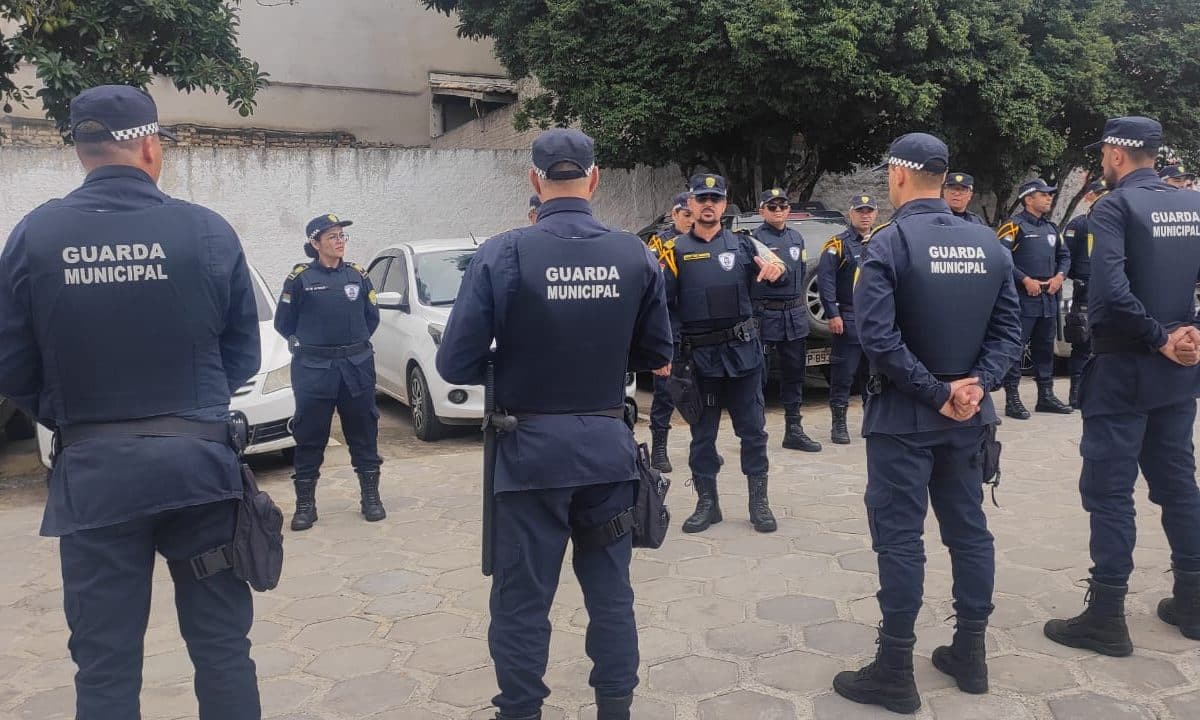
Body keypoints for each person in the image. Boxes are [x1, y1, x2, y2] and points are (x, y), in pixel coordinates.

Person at [0, 85, 262, 718]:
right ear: (149, 145)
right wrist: (193, 412)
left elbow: (12, 364)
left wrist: (75, 419)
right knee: (223, 650)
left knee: (105, 668)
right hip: (199, 476)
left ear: (80, 149)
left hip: (96, 484)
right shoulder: (205, 230)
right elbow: (242, 354)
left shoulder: (35, 236)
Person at [435, 128, 673, 720]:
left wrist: (514, 360)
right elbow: (655, 353)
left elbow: (455, 363)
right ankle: (615, 708)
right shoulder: (635, 253)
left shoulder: (502, 252)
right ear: (595, 178)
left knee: (522, 602)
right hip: (606, 453)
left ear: (534, 181)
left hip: (529, 456)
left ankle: (520, 710)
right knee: (611, 594)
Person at [831, 132, 1021, 714]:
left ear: (897, 174)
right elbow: (1009, 333)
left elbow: (877, 337)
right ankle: (970, 654)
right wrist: (976, 385)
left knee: (899, 540)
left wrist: (936, 393)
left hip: (904, 418)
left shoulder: (889, 244)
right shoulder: (989, 243)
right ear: (942, 177)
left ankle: (894, 670)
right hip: (969, 417)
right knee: (969, 532)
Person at [1044, 117, 1200, 656]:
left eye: (1103, 155)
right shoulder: (1192, 204)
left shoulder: (1112, 208)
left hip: (1125, 370)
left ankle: (1106, 617)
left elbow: (1110, 292)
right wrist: (1188, 333)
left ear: (1115, 154)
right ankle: (1193, 603)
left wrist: (1159, 338)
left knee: (1109, 492)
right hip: (1178, 372)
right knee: (1178, 484)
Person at [659, 174, 789, 534]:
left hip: (743, 357)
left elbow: (780, 273)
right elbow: (662, 306)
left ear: (724, 203)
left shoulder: (745, 245)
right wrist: (666, 353)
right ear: (690, 203)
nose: (708, 204)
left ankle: (759, 502)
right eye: (701, 198)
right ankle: (707, 503)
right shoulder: (673, 251)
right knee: (703, 437)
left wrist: (777, 271)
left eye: (714, 199)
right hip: (700, 362)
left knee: (753, 432)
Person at [274, 214, 386, 531]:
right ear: (315, 243)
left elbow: (371, 318)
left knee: (364, 432)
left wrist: (351, 347)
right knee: (310, 436)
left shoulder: (357, 276)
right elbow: (284, 323)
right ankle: (305, 506)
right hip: (314, 370)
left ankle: (370, 497)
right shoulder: (300, 279)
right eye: (332, 236)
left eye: (341, 236)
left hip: (356, 367)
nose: (339, 241)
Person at [752, 188, 822, 452]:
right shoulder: (754, 240)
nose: (778, 211)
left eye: (783, 206)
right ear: (762, 211)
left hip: (793, 314)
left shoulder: (796, 237)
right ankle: (755, 434)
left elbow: (800, 271)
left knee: (794, 373)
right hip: (765, 314)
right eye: (772, 207)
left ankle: (794, 429)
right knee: (758, 375)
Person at [996, 178, 1073, 418]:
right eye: (1044, 194)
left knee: (1044, 348)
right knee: (1015, 349)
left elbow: (1065, 256)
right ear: (1028, 199)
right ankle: (1012, 399)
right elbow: (1001, 258)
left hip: (1047, 298)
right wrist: (1025, 280)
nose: (1049, 198)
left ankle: (1046, 397)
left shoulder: (1052, 228)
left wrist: (1060, 277)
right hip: (1021, 299)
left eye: (1050, 194)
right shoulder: (1012, 226)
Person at [818, 194, 878, 444]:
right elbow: (826, 281)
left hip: (875, 320)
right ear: (851, 213)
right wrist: (832, 313)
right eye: (860, 211)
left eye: (869, 211)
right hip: (848, 317)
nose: (865, 215)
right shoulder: (837, 244)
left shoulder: (882, 241)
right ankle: (839, 424)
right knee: (843, 375)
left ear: (875, 214)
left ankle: (872, 422)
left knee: (873, 376)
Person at [644, 192, 693, 471]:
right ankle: (659, 448)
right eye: (686, 215)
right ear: (674, 215)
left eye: (693, 215)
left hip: (698, 327)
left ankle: (703, 444)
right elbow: (657, 294)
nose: (691, 220)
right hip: (671, 326)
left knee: (701, 390)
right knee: (665, 391)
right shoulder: (660, 246)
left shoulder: (704, 242)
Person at [1062, 179, 1107, 407]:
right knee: (1081, 341)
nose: (1104, 197)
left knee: (1109, 344)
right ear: (1090, 196)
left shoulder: (1115, 222)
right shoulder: (1079, 224)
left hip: (1110, 291)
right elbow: (1064, 258)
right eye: (1099, 193)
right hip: (1086, 292)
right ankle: (1076, 392)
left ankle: (1102, 392)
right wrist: (1077, 280)